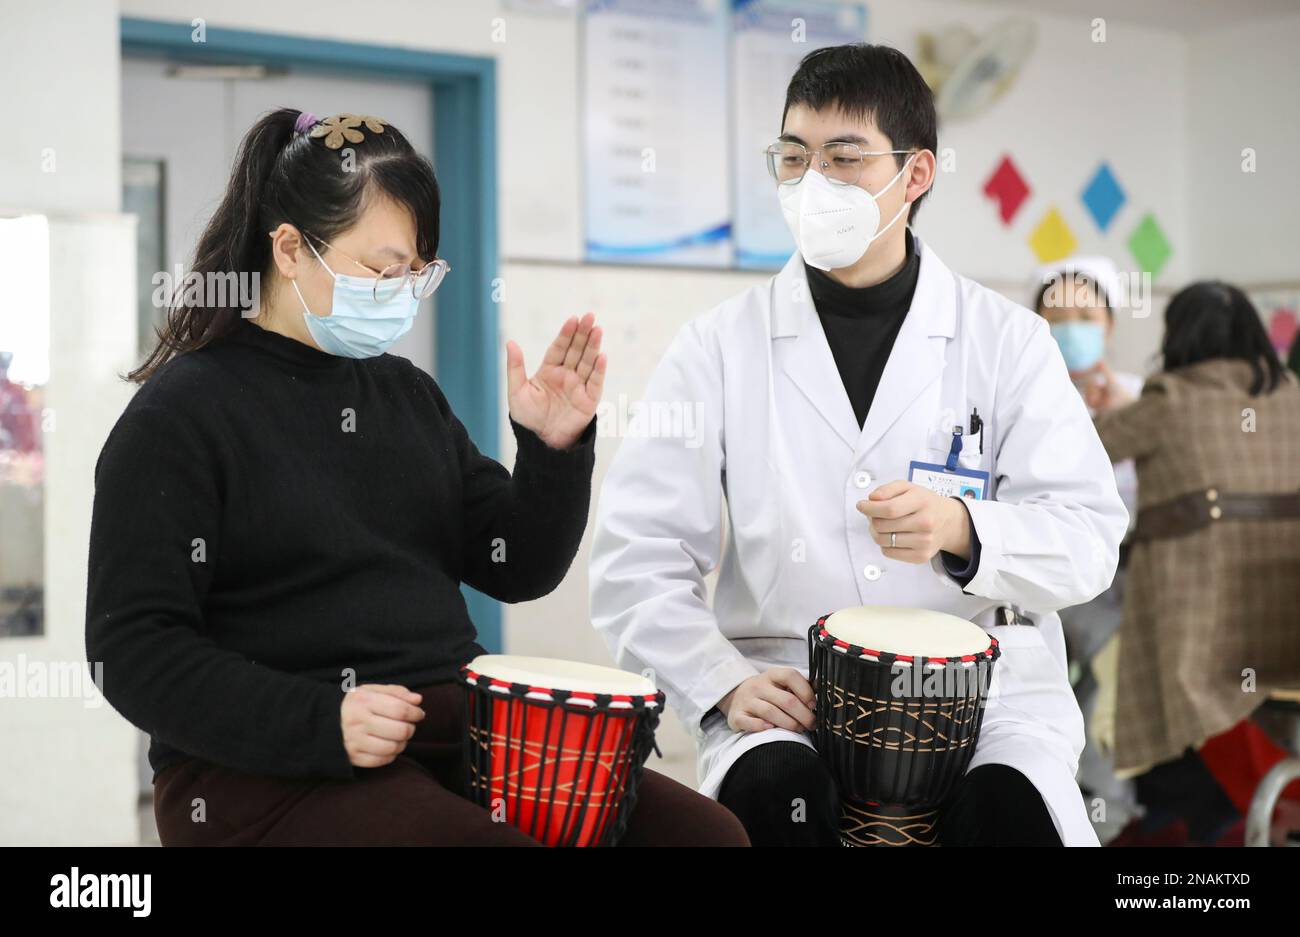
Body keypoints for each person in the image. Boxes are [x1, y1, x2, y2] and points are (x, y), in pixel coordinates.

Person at [85, 108, 747, 847]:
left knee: (705, 836)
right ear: (290, 250)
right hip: (262, 769)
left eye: (415, 273)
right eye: (380, 268)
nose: (399, 291)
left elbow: (518, 564)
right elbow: (131, 650)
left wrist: (552, 448)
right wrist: (320, 721)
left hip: (451, 733)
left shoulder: (403, 394)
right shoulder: (181, 416)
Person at [589, 44, 1128, 846]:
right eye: (793, 158)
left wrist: (966, 530)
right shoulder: (718, 346)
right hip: (786, 687)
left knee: (1006, 818)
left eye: (844, 159)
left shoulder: (1006, 340)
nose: (813, 184)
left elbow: (1089, 537)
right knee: (778, 799)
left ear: (916, 175)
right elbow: (636, 558)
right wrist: (719, 679)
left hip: (985, 693)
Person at [1092, 280, 1300, 844]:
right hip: (1283, 625)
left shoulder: (1172, 399)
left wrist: (1107, 403)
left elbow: (1084, 448)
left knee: (1119, 692)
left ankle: (1201, 821)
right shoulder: (1293, 396)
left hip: (1194, 615)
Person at [1032, 258, 1143, 835]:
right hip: (1042, 574)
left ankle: (1103, 811)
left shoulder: (1142, 400)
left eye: (1084, 315)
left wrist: (1125, 418)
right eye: (1054, 317)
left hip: (1127, 577)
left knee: (1114, 663)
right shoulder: (1021, 402)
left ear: (1110, 325)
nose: (1069, 328)